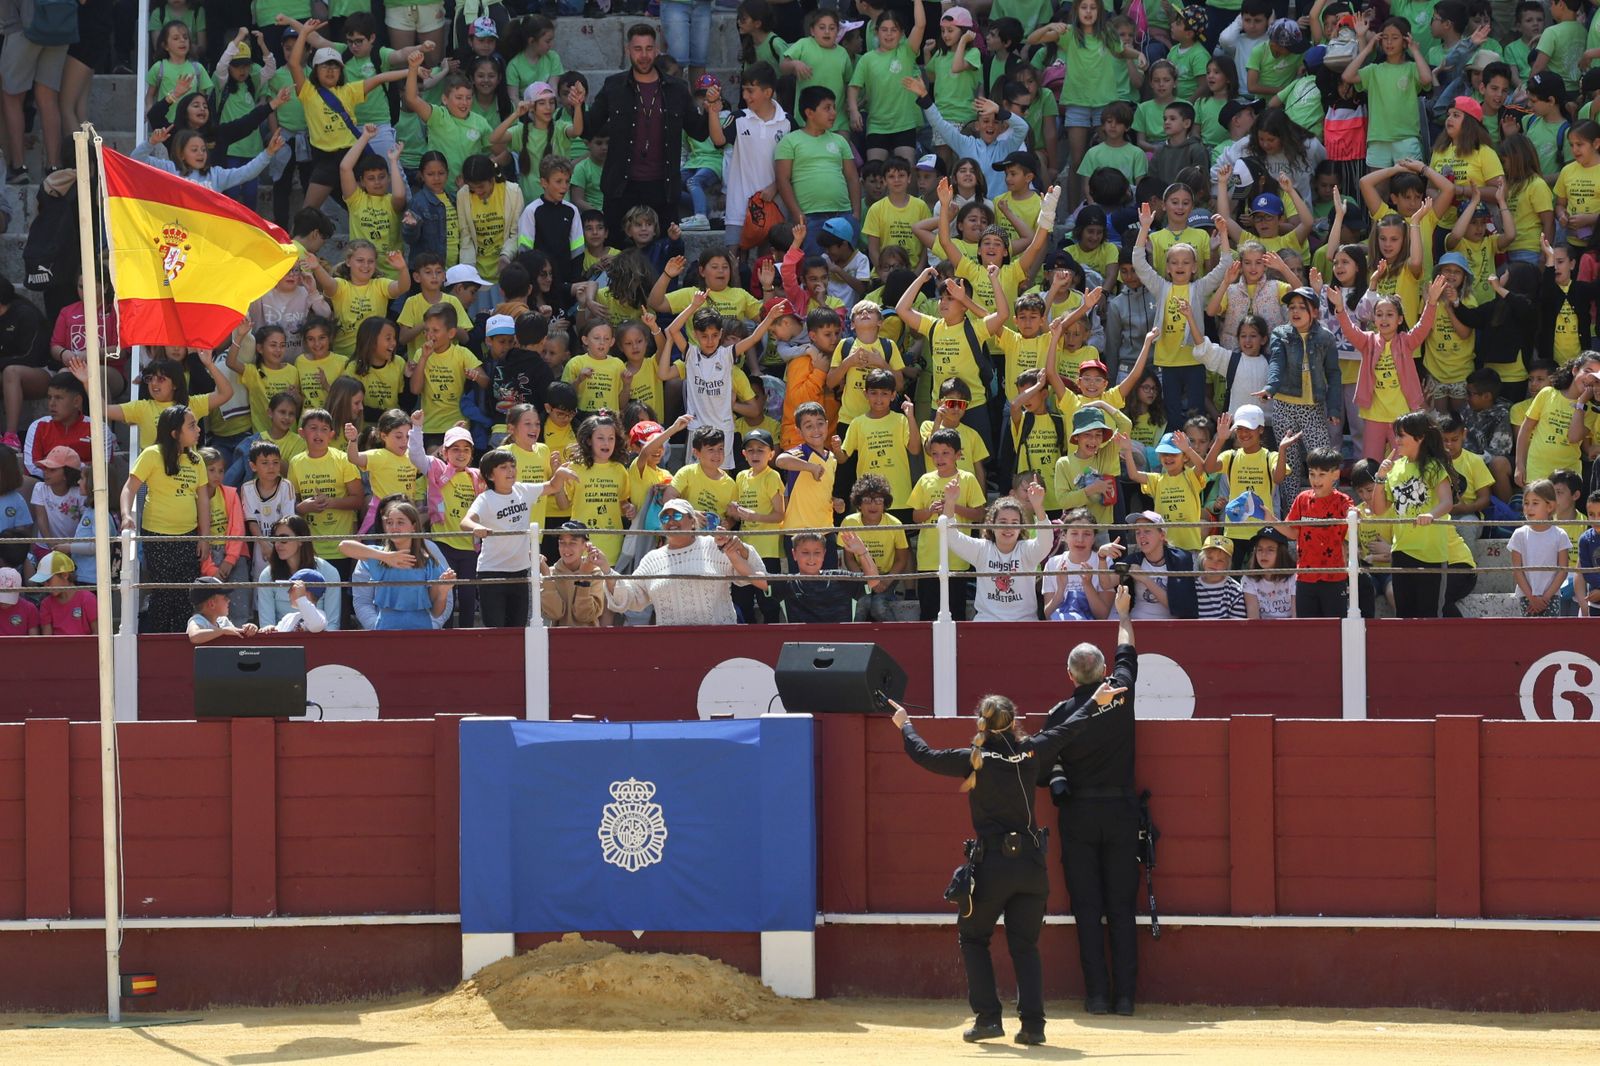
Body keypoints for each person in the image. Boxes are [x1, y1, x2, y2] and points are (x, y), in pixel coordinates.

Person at [891, 618, 1130, 1045]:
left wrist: (905, 724)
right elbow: (1073, 726)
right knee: (1025, 946)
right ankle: (1033, 1026)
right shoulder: (1031, 751)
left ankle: (988, 1018)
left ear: (981, 722)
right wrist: (1097, 699)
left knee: (973, 937)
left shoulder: (974, 759)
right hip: (1032, 867)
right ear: (1014, 721)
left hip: (994, 867)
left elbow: (924, 755)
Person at [1039, 582, 1140, 1016]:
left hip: (1079, 814)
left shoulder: (1060, 715)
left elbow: (1040, 770)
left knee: (1087, 909)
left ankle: (1098, 995)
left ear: (1070, 677)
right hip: (1120, 811)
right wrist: (1123, 614)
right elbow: (1127, 654)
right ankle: (1126, 998)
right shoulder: (1119, 694)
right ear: (1102, 673)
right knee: (1121, 908)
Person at [583, 24, 709, 241]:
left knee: (665, 252)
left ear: (657, 50)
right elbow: (588, 127)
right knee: (617, 252)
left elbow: (699, 131)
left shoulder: (677, 88)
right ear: (627, 50)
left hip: (663, 186)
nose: (643, 55)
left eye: (649, 48)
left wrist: (711, 110)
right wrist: (577, 105)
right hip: (621, 186)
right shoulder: (613, 85)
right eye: (637, 49)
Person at [599, 497, 767, 625]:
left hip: (718, 641)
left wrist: (739, 548)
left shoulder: (714, 546)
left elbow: (755, 575)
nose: (671, 521)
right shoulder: (652, 559)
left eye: (677, 515)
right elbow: (632, 597)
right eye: (665, 518)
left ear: (692, 521)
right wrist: (607, 570)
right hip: (673, 645)